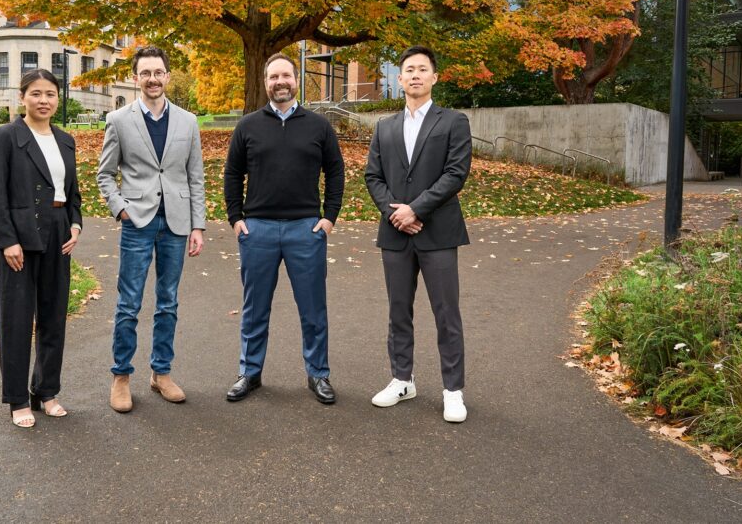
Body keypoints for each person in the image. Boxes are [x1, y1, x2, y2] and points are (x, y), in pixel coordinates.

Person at [223, 53, 345, 404]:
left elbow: (335, 171)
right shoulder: (248, 126)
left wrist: (329, 217)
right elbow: (233, 173)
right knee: (254, 308)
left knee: (313, 308)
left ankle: (318, 374)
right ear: (266, 83)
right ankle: (249, 372)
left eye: (286, 76)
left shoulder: (318, 125)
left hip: (305, 230)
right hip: (257, 230)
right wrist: (236, 218)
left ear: (296, 80)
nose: (280, 82)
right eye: (273, 77)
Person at [364, 45, 472, 422]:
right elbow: (372, 177)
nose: (414, 75)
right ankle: (401, 379)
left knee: (446, 313)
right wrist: (395, 213)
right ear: (399, 79)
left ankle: (453, 390)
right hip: (395, 234)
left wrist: (416, 208)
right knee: (398, 311)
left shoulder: (453, 122)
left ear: (434, 77)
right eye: (408, 69)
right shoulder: (385, 127)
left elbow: (455, 173)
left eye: (422, 69)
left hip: (438, 232)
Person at [97, 46, 206, 413]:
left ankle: (161, 373)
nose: (153, 79)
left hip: (176, 223)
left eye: (158, 72)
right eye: (145, 73)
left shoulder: (188, 122)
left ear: (168, 76)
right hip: (138, 222)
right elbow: (104, 174)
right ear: (135, 78)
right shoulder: (119, 120)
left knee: (168, 302)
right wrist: (120, 209)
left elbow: (195, 178)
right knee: (129, 303)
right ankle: (121, 377)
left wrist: (198, 225)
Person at [0, 69, 82, 428]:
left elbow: (72, 192)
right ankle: (18, 400)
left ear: (58, 99)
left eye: (50, 94)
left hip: (59, 234)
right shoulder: (3, 138)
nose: (44, 101)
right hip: (19, 239)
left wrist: (75, 222)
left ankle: (47, 392)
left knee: (54, 318)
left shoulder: (66, 140)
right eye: (36, 93)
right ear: (22, 97)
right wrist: (6, 240)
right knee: (17, 321)